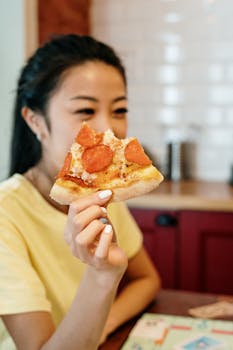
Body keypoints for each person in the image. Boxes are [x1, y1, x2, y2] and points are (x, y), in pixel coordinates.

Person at [0, 34, 161, 350]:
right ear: (35, 121)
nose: (109, 130)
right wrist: (101, 278)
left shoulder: (102, 195)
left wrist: (105, 322)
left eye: (119, 110)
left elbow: (148, 280)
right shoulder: (5, 216)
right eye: (86, 110)